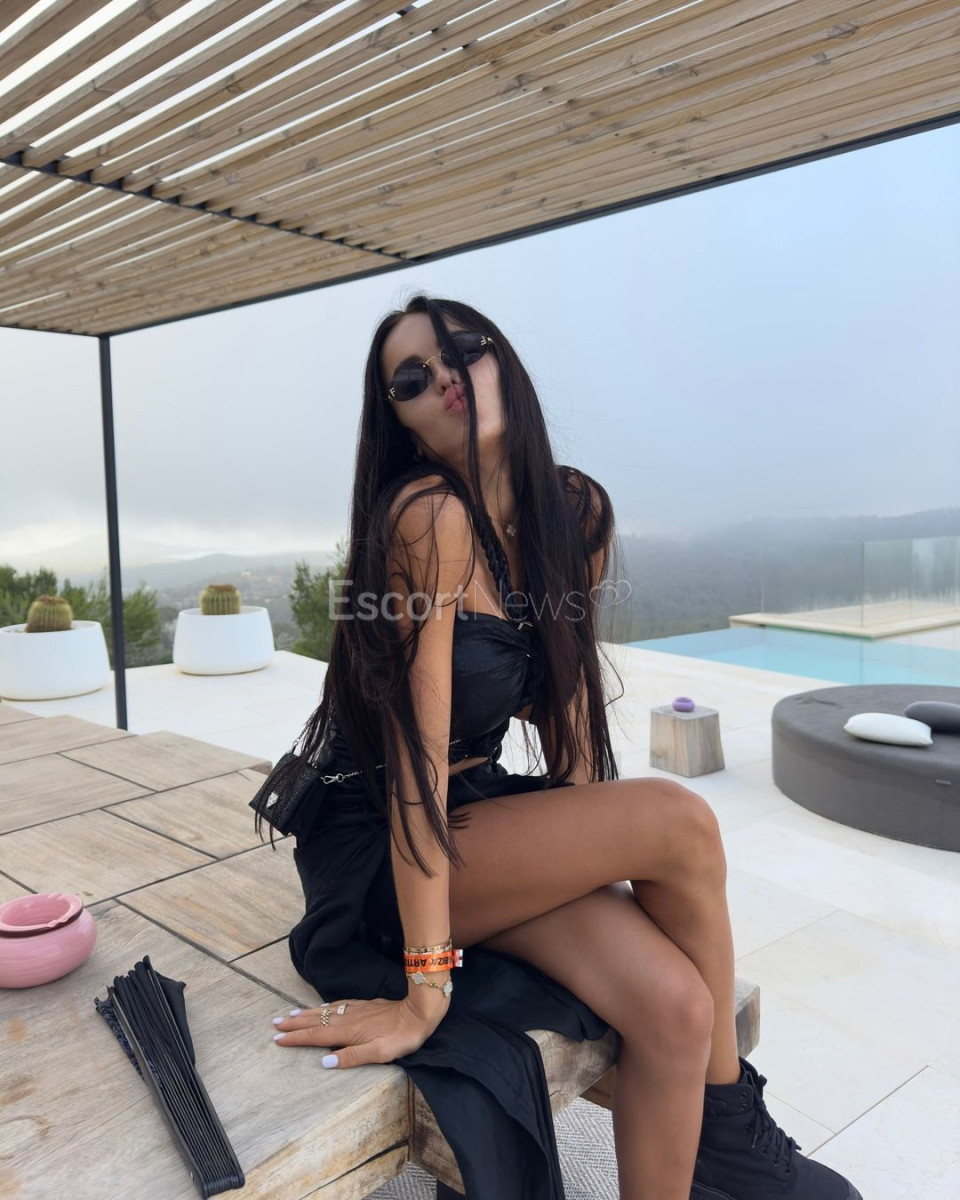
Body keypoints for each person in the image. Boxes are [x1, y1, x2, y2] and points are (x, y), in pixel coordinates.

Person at [267, 294, 862, 1200]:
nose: (447, 376)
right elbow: (416, 770)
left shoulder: (574, 512)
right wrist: (426, 992)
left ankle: (718, 1145)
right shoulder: (426, 516)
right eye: (412, 378)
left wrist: (588, 859)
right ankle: (734, 1132)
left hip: (485, 825)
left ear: (502, 357)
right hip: (382, 846)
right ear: (401, 423)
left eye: (463, 348)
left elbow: (570, 707)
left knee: (677, 1006)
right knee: (680, 821)